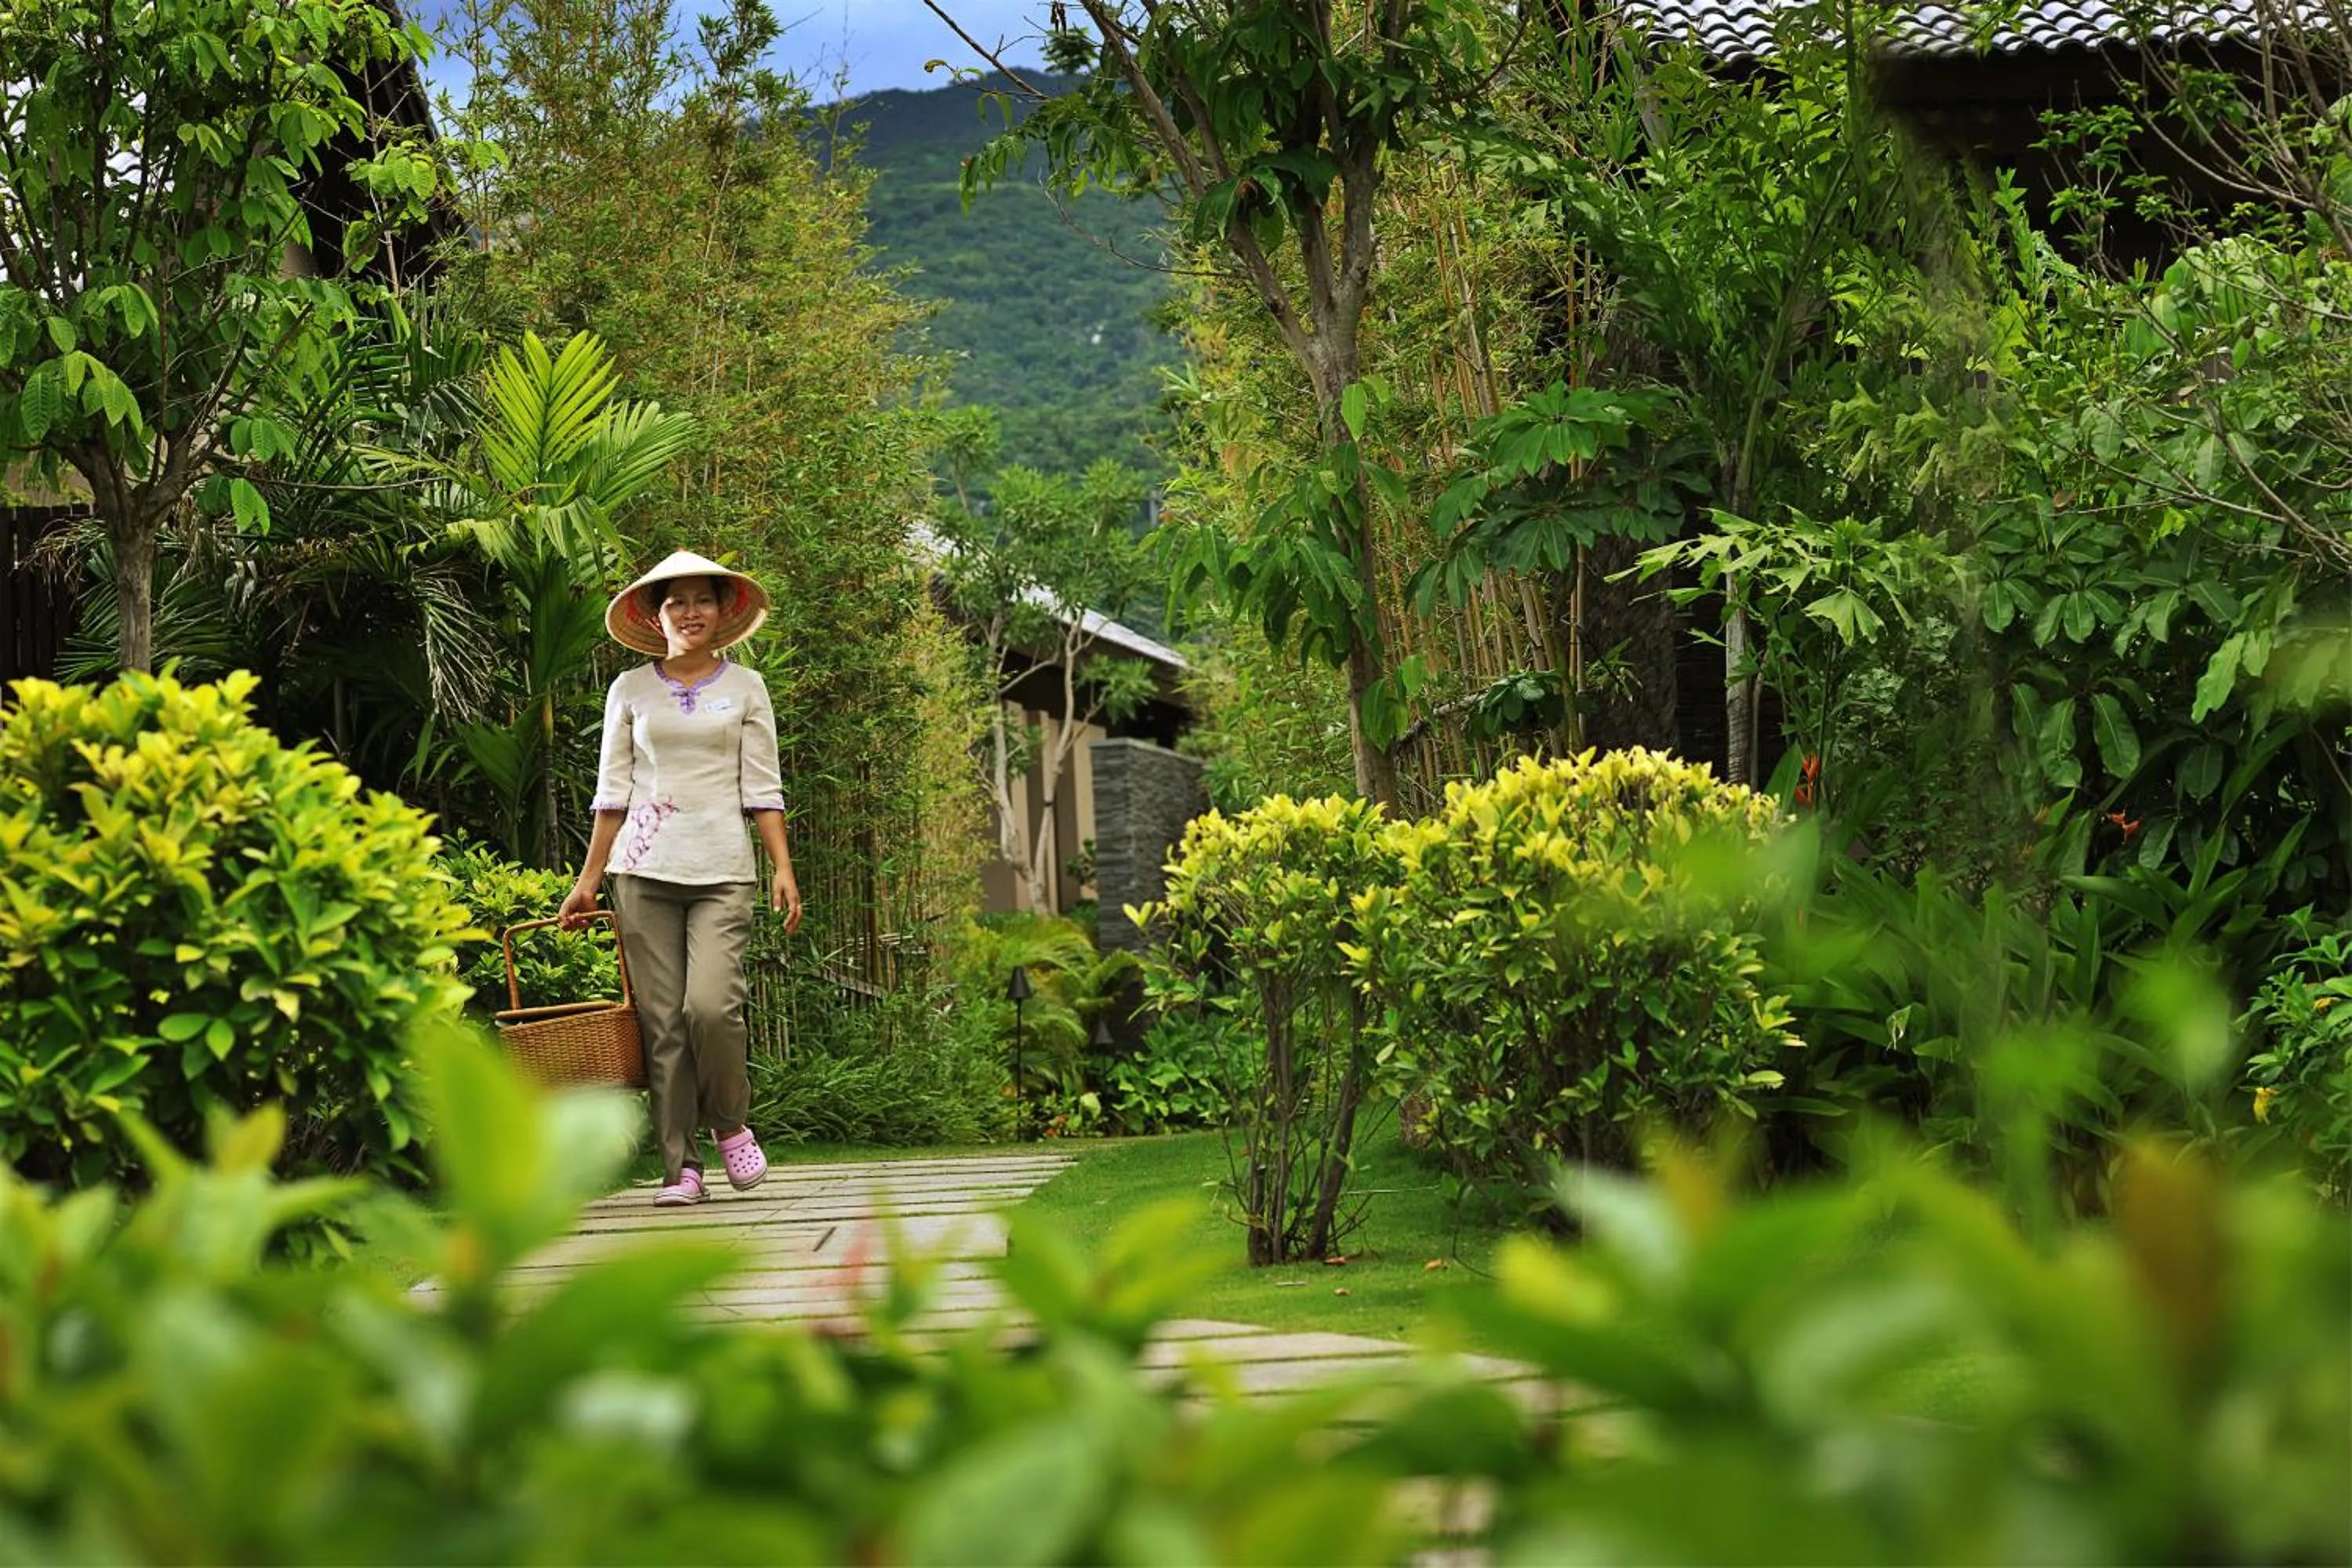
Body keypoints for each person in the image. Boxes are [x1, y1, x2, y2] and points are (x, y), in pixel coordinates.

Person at [558, 550, 803, 1208]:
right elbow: (613, 792)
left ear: (724, 612)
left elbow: (763, 787)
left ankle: (729, 1122)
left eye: (703, 600)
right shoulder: (630, 691)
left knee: (711, 1008)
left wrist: (782, 867)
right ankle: (680, 1171)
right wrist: (589, 879)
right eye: (676, 602)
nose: (690, 612)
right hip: (641, 870)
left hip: (724, 869)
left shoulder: (747, 688)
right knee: (663, 1023)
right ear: (653, 614)